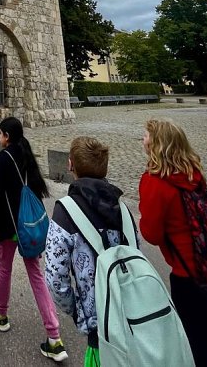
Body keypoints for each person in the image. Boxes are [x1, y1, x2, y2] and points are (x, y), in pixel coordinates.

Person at [139, 119, 207, 367]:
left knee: (192, 343)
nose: (143, 140)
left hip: (188, 276)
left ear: (157, 144)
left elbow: (152, 234)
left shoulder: (155, 182)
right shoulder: (192, 171)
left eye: (146, 136)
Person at [44, 136, 137, 367]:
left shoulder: (65, 212)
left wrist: (77, 311)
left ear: (70, 165)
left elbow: (55, 277)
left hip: (98, 321)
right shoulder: (124, 210)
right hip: (132, 313)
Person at [0, 117, 67, 362]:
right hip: (29, 225)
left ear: (6, 136)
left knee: (4, 269)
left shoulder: (3, 158)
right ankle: (54, 336)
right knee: (36, 275)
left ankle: (0, 314)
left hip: (10, 226)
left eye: (0, 134)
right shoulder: (26, 151)